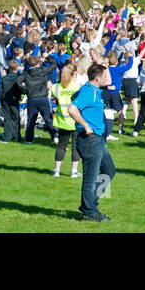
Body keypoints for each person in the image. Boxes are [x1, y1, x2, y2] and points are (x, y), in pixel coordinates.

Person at [66, 62, 115, 223]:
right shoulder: (90, 93)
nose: (109, 78)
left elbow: (74, 97)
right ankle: (89, 211)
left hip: (98, 139)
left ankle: (90, 202)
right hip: (90, 140)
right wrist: (85, 125)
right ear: (97, 78)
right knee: (91, 177)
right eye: (106, 76)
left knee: (109, 171)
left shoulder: (92, 90)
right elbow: (72, 108)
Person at [52, 63, 81, 178]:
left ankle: (57, 170)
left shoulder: (56, 87)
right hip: (75, 120)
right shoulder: (77, 87)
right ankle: (74, 170)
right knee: (75, 146)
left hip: (62, 120)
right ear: (74, 74)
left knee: (61, 146)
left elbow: (56, 97)